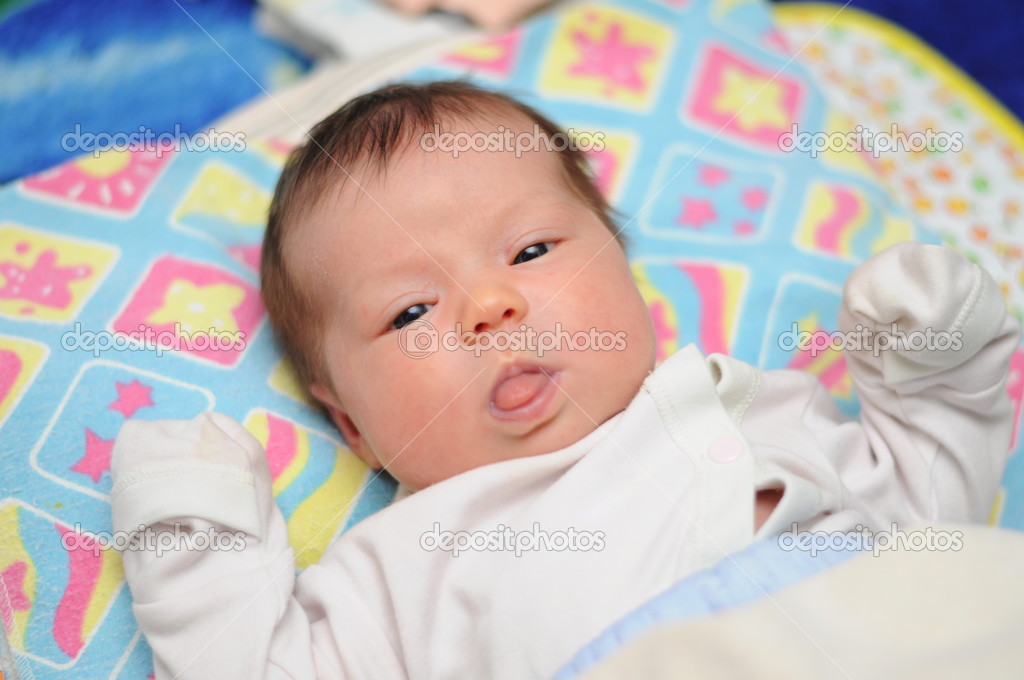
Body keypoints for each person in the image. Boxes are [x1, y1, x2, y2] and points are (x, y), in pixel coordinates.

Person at [111, 80, 1021, 679]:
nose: (488, 305)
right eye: (409, 313)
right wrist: (197, 540)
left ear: (626, 273)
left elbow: (931, 512)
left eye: (533, 250)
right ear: (354, 430)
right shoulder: (398, 572)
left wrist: (931, 354)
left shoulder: (752, 403)